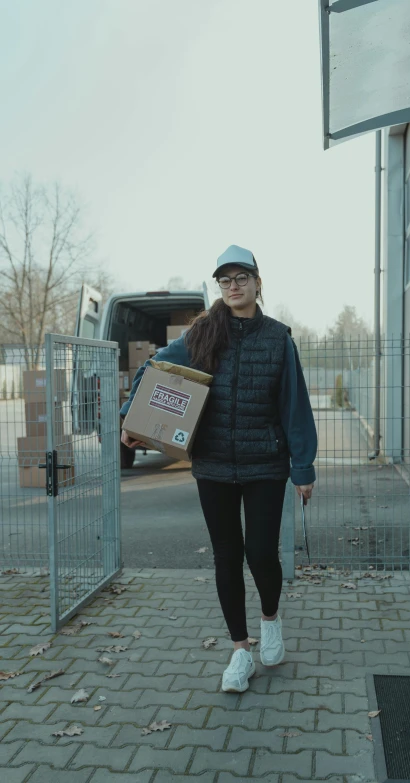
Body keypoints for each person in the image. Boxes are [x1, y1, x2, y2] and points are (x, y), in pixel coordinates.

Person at [120, 244, 317, 693]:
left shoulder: (278, 339)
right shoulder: (203, 333)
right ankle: (239, 652)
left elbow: (295, 406)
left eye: (240, 278)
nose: (232, 286)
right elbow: (155, 368)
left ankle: (270, 620)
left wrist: (303, 467)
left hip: (266, 463)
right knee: (227, 556)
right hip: (212, 465)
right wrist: (131, 416)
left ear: (257, 283)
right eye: (225, 280)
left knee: (261, 553)